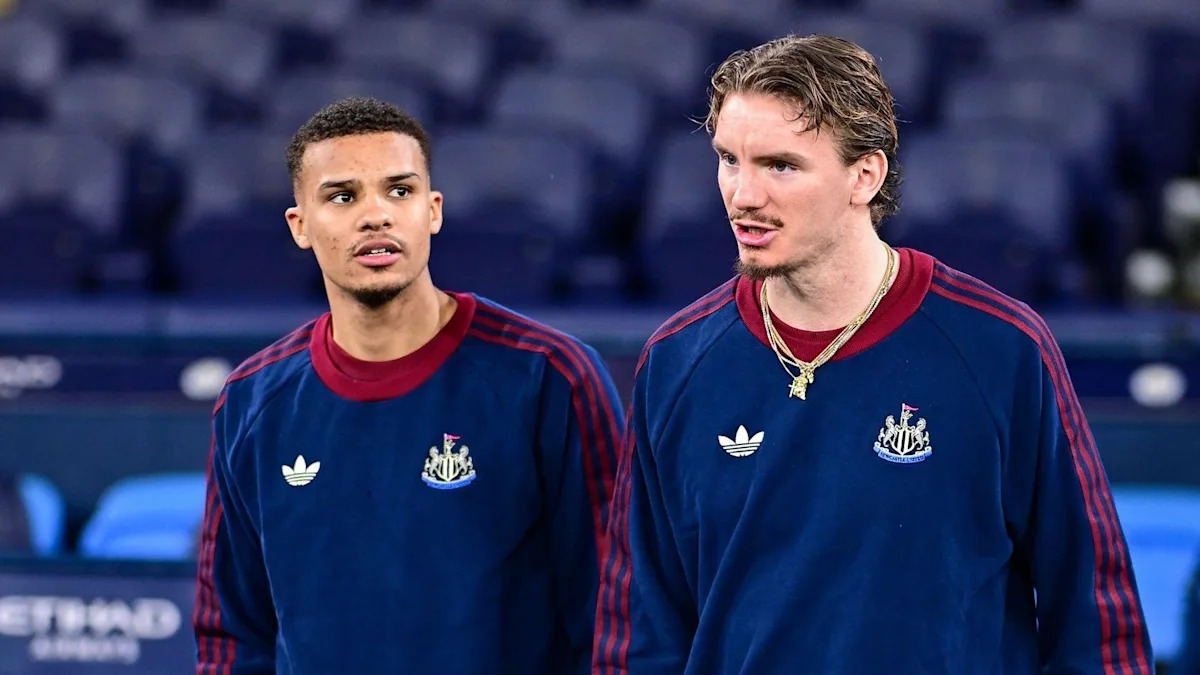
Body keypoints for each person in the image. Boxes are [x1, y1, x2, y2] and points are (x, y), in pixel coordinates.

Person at [594, 35, 1154, 674]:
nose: (743, 194)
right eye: (729, 159)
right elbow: (640, 632)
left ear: (866, 175)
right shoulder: (676, 361)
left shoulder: (1001, 349)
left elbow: (1095, 618)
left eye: (780, 166)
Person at [193, 96, 624, 674]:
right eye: (342, 196)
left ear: (433, 211)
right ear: (300, 226)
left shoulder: (550, 377)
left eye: (399, 191)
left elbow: (614, 618)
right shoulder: (251, 402)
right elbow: (231, 636)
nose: (376, 215)